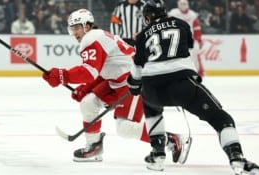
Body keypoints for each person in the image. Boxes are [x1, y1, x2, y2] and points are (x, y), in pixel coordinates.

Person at [127, 0, 259, 174]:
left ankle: (157, 153)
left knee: (150, 105)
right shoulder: (181, 24)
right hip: (182, 85)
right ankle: (236, 158)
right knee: (221, 118)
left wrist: (135, 87)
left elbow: (136, 71)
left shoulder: (143, 34)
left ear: (147, 17)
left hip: (152, 88)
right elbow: (188, 47)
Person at [42, 8, 190, 163]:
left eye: (77, 28)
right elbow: (103, 70)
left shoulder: (91, 38)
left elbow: (89, 72)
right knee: (88, 102)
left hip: (133, 82)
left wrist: (61, 76)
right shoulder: (98, 36)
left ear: (87, 26)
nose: (75, 33)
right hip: (117, 81)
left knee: (124, 128)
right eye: (72, 29)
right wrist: (86, 88)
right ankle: (94, 146)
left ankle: (171, 140)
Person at [168, 0, 204, 77]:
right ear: (178, 4)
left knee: (194, 56)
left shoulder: (192, 15)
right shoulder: (173, 13)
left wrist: (198, 39)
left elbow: (197, 28)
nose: (183, 5)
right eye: (181, 4)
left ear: (187, 4)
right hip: (176, 40)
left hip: (191, 40)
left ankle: (197, 72)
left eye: (184, 4)